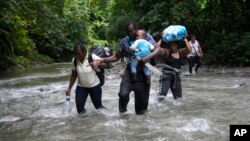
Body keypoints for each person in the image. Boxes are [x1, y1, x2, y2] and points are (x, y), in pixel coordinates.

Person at [93, 21, 161, 115]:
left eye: (132, 31)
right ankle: (123, 112)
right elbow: (116, 57)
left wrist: (147, 58)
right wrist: (102, 59)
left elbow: (158, 49)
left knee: (141, 111)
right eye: (128, 32)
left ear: (136, 29)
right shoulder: (124, 41)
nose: (130, 34)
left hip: (143, 73)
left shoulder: (146, 36)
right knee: (123, 94)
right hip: (130, 72)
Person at [65, 41, 107, 117]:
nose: (77, 56)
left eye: (79, 54)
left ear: (84, 52)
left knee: (98, 108)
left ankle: (108, 117)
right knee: (80, 110)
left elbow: (106, 65)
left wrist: (98, 63)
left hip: (95, 86)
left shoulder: (92, 57)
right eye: (75, 54)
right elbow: (74, 75)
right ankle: (86, 125)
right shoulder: (74, 61)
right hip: (81, 87)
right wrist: (69, 88)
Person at [156, 35, 192, 102]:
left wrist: (185, 39)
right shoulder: (166, 52)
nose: (172, 47)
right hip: (166, 76)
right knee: (162, 96)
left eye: (173, 45)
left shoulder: (181, 52)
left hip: (176, 77)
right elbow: (156, 49)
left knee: (178, 99)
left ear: (177, 46)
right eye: (171, 45)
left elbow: (189, 50)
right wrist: (161, 39)